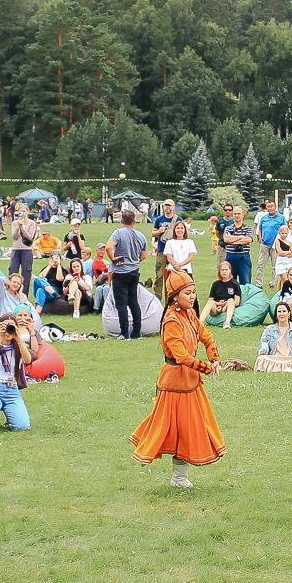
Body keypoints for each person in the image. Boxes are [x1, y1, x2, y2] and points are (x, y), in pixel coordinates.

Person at [130, 267, 225, 488]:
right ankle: (178, 477)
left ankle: (180, 477)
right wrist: (206, 367)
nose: (192, 297)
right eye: (187, 293)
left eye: (193, 292)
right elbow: (181, 356)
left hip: (190, 381)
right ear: (175, 296)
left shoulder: (189, 314)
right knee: (177, 429)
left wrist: (214, 357)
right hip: (175, 383)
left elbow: (206, 336)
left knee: (191, 427)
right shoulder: (171, 320)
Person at [0, 313, 34, 433]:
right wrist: (0, 336)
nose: (8, 331)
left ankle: (11, 416)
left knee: (22, 427)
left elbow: (28, 360)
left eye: (11, 327)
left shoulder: (18, 347)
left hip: (12, 390)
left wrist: (18, 339)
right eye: (5, 326)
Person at [106, 207, 150, 340]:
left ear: (121, 220)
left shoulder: (118, 233)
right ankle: (136, 332)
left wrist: (114, 259)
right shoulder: (141, 236)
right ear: (134, 221)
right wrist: (135, 261)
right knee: (133, 302)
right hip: (134, 271)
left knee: (121, 304)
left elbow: (108, 247)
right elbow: (144, 255)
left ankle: (124, 333)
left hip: (120, 272)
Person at [256, 296, 292, 373]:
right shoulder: (269, 329)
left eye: (284, 311)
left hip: (291, 359)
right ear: (276, 315)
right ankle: (289, 369)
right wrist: (263, 351)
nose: (281, 314)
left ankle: (278, 369)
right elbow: (264, 344)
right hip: (275, 358)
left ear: (288, 314)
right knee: (261, 359)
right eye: (279, 312)